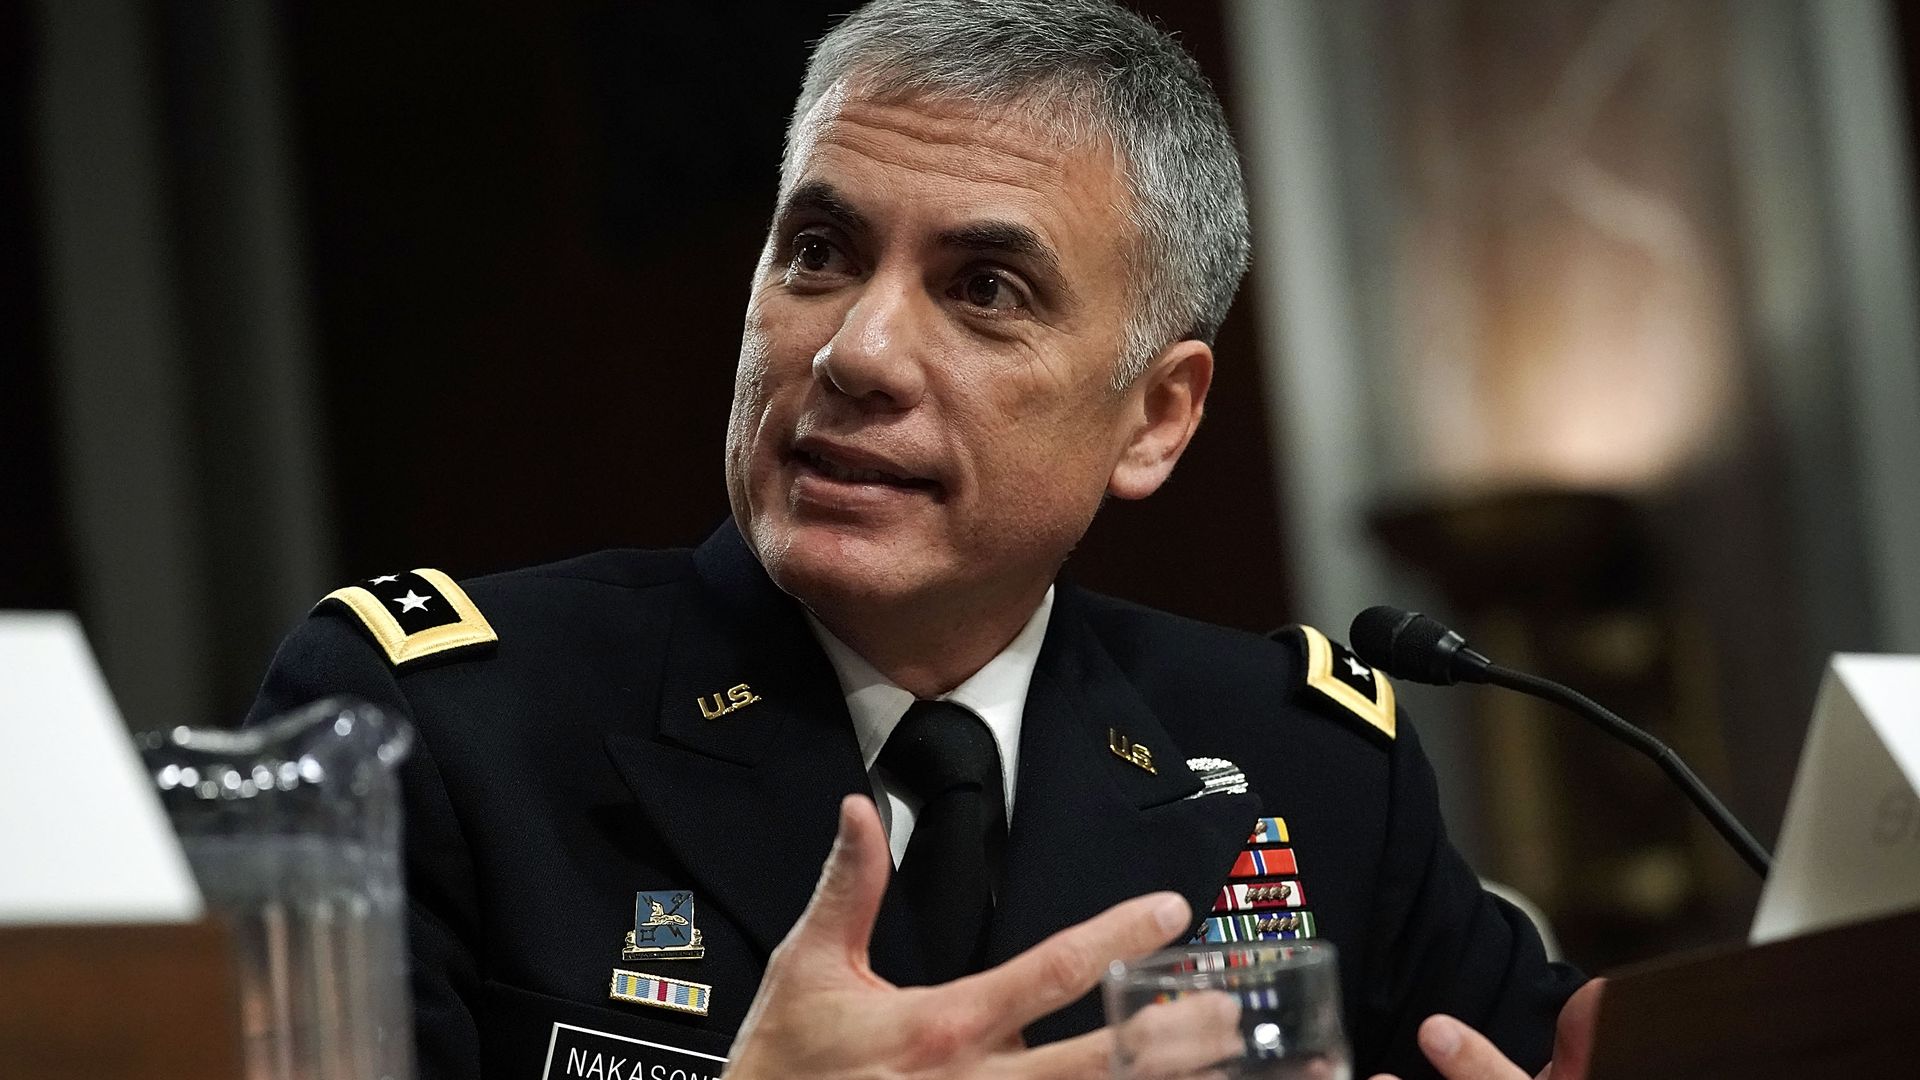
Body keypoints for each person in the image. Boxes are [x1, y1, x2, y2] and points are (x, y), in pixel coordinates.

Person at [245, 2, 1593, 1077]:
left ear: (1156, 418)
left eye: (984, 290)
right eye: (820, 252)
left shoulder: (1312, 767)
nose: (855, 350)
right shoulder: (427, 733)